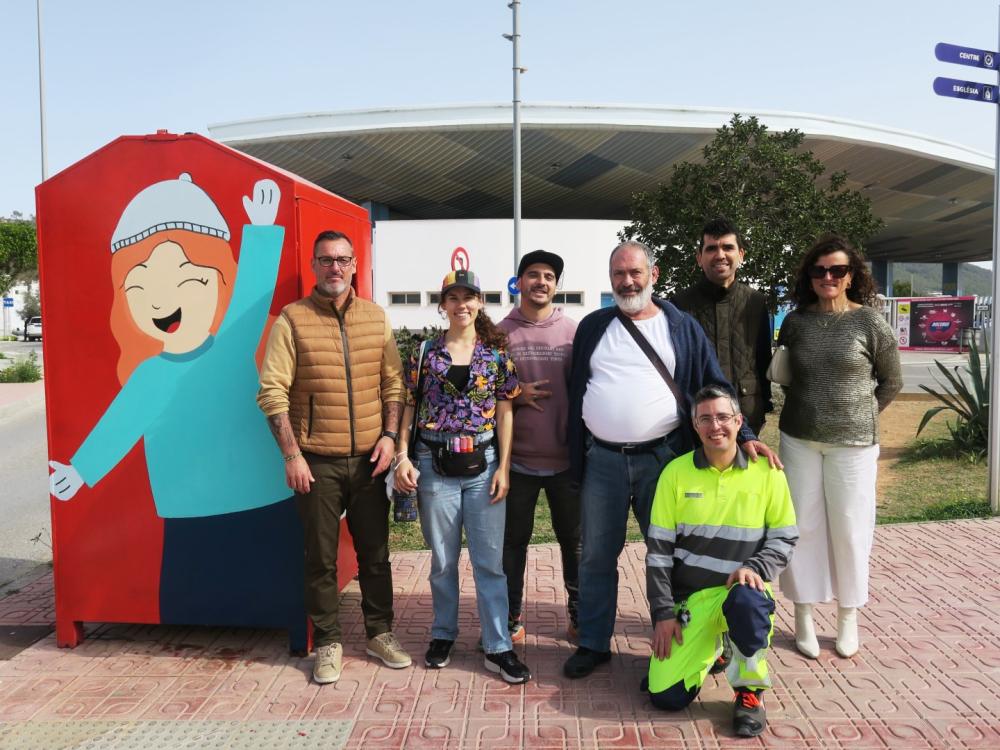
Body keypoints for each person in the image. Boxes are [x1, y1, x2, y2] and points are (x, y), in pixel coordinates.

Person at [49, 175, 303, 639]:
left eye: (188, 278)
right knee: (189, 586)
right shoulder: (150, 373)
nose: (162, 301)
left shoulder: (232, 343)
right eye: (140, 287)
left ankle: (287, 621)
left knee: (271, 578)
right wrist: (80, 470)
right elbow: (121, 423)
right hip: (186, 511)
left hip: (260, 500)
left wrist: (262, 230)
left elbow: (253, 294)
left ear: (216, 280)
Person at [563, 239, 780, 680]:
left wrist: (748, 435)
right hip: (602, 460)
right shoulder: (593, 327)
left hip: (663, 460)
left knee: (675, 557)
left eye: (634, 273)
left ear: (654, 275)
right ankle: (593, 642)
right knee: (596, 557)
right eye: (618, 275)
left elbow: (714, 383)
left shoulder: (679, 326)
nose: (627, 282)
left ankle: (692, 638)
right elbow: (577, 389)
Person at [257, 229, 411, 685]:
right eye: (326, 260)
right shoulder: (293, 319)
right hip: (316, 461)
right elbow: (272, 392)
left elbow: (393, 383)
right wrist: (292, 455)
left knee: (375, 555)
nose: (335, 268)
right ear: (313, 265)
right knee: (320, 558)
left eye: (343, 259)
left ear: (354, 265)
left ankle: (381, 632)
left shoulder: (375, 317)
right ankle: (327, 642)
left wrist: (388, 435)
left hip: (370, 458)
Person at [393, 269, 532, 684]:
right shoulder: (424, 354)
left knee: (490, 562)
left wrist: (505, 467)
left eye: (468, 297)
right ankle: (443, 634)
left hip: (483, 465)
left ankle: (498, 645)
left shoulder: (495, 356)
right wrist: (402, 454)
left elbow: (507, 410)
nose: (461, 305)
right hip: (434, 464)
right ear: (443, 305)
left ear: (479, 303)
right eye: (453, 298)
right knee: (442, 559)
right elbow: (409, 406)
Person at [644, 385, 797, 738]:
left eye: (724, 417)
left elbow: (784, 537)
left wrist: (754, 568)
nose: (716, 426)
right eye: (706, 418)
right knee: (665, 697)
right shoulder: (675, 473)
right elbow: (658, 552)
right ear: (694, 426)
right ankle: (718, 648)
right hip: (692, 600)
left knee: (746, 602)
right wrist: (664, 614)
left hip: (741, 592)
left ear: (739, 421)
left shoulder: (768, 472)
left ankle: (749, 691)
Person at [776, 233, 902, 660]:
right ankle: (804, 616)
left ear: (852, 276)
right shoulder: (795, 322)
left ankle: (849, 616)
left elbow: (892, 381)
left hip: (853, 445)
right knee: (801, 528)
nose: (827, 276)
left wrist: (861, 413)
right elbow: (785, 375)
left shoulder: (869, 321)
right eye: (819, 270)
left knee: (850, 529)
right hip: (798, 439)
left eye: (837, 270)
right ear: (809, 276)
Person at [498, 249, 580, 643]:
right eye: (533, 274)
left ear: (556, 284)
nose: (541, 282)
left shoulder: (573, 331)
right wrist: (514, 394)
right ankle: (511, 617)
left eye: (549, 275)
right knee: (513, 544)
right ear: (520, 281)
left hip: (567, 460)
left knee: (574, 542)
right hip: (517, 462)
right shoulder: (500, 333)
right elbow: (484, 393)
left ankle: (579, 617)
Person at [672, 218, 772, 433]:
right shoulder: (679, 304)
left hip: (746, 414)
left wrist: (765, 405)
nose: (720, 255)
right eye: (711, 249)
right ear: (699, 258)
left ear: (741, 255)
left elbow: (764, 360)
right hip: (698, 418)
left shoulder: (756, 302)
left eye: (728, 247)